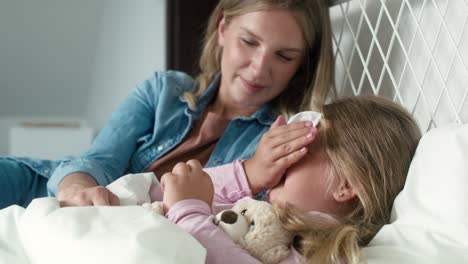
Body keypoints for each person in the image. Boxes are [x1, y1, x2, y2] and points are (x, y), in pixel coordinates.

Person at [0, 0, 336, 209]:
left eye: (284, 56)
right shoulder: (164, 91)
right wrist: (78, 185)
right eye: (249, 42)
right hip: (43, 184)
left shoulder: (282, 140)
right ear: (222, 28)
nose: (260, 68)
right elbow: (100, 159)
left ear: (302, 64)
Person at [158, 96, 422, 264]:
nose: (287, 157)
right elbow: (187, 194)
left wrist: (189, 215)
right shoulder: (261, 214)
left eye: (303, 148)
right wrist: (248, 176)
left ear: (346, 184)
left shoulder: (328, 253)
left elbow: (188, 211)